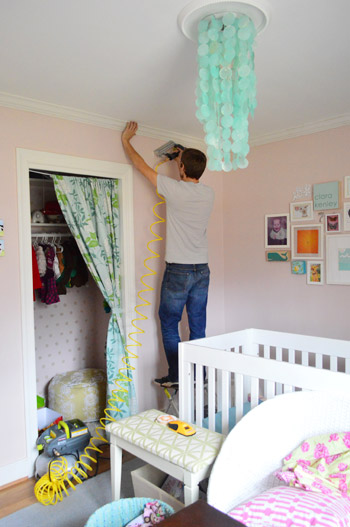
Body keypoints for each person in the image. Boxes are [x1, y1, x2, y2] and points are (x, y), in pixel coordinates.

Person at [121, 121, 214, 387]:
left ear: (182, 167)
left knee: (170, 321)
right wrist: (182, 158)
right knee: (197, 326)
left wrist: (127, 141)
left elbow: (141, 167)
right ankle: (199, 375)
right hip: (202, 269)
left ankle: (177, 376)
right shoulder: (208, 193)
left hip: (179, 270)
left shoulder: (173, 190)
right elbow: (188, 177)